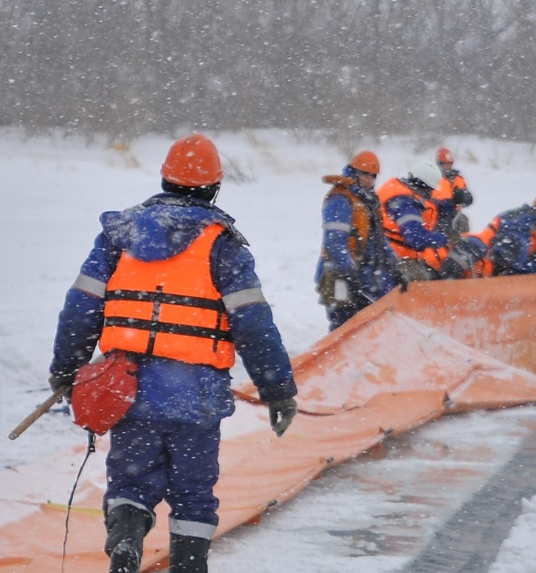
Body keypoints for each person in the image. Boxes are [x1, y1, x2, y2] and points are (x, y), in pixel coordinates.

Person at [47, 133, 299, 573]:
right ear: (215, 187)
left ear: (164, 179)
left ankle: (126, 541)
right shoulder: (224, 245)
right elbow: (254, 323)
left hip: (129, 389)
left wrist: (66, 367)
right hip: (195, 396)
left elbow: (81, 306)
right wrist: (277, 388)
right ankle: (188, 564)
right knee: (194, 492)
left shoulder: (118, 236)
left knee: (130, 481)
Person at [315, 150, 405, 330]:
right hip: (339, 276)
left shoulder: (368, 201)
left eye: (373, 176)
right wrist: (350, 275)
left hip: (365, 276)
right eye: (365, 174)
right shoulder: (340, 200)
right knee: (343, 327)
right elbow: (335, 243)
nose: (369, 179)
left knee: (366, 328)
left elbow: (379, 240)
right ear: (354, 172)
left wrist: (396, 267)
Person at [377, 161, 466, 282]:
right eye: (430, 190)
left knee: (434, 273)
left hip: (396, 255)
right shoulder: (405, 204)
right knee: (423, 285)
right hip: (396, 258)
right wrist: (442, 239)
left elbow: (434, 207)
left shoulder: (406, 193)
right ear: (423, 186)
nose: (430, 194)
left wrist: (452, 203)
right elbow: (415, 237)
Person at [457, 190, 536, 277]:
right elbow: (513, 260)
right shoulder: (520, 224)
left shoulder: (535, 228)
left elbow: (526, 261)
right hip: (485, 266)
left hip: (490, 264)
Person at [431, 147, 474, 243]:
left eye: (449, 163)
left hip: (454, 214)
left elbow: (469, 199)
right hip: (435, 213)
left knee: (463, 222)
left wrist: (464, 197)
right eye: (444, 164)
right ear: (438, 163)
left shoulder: (458, 179)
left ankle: (460, 247)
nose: (447, 166)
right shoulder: (431, 177)